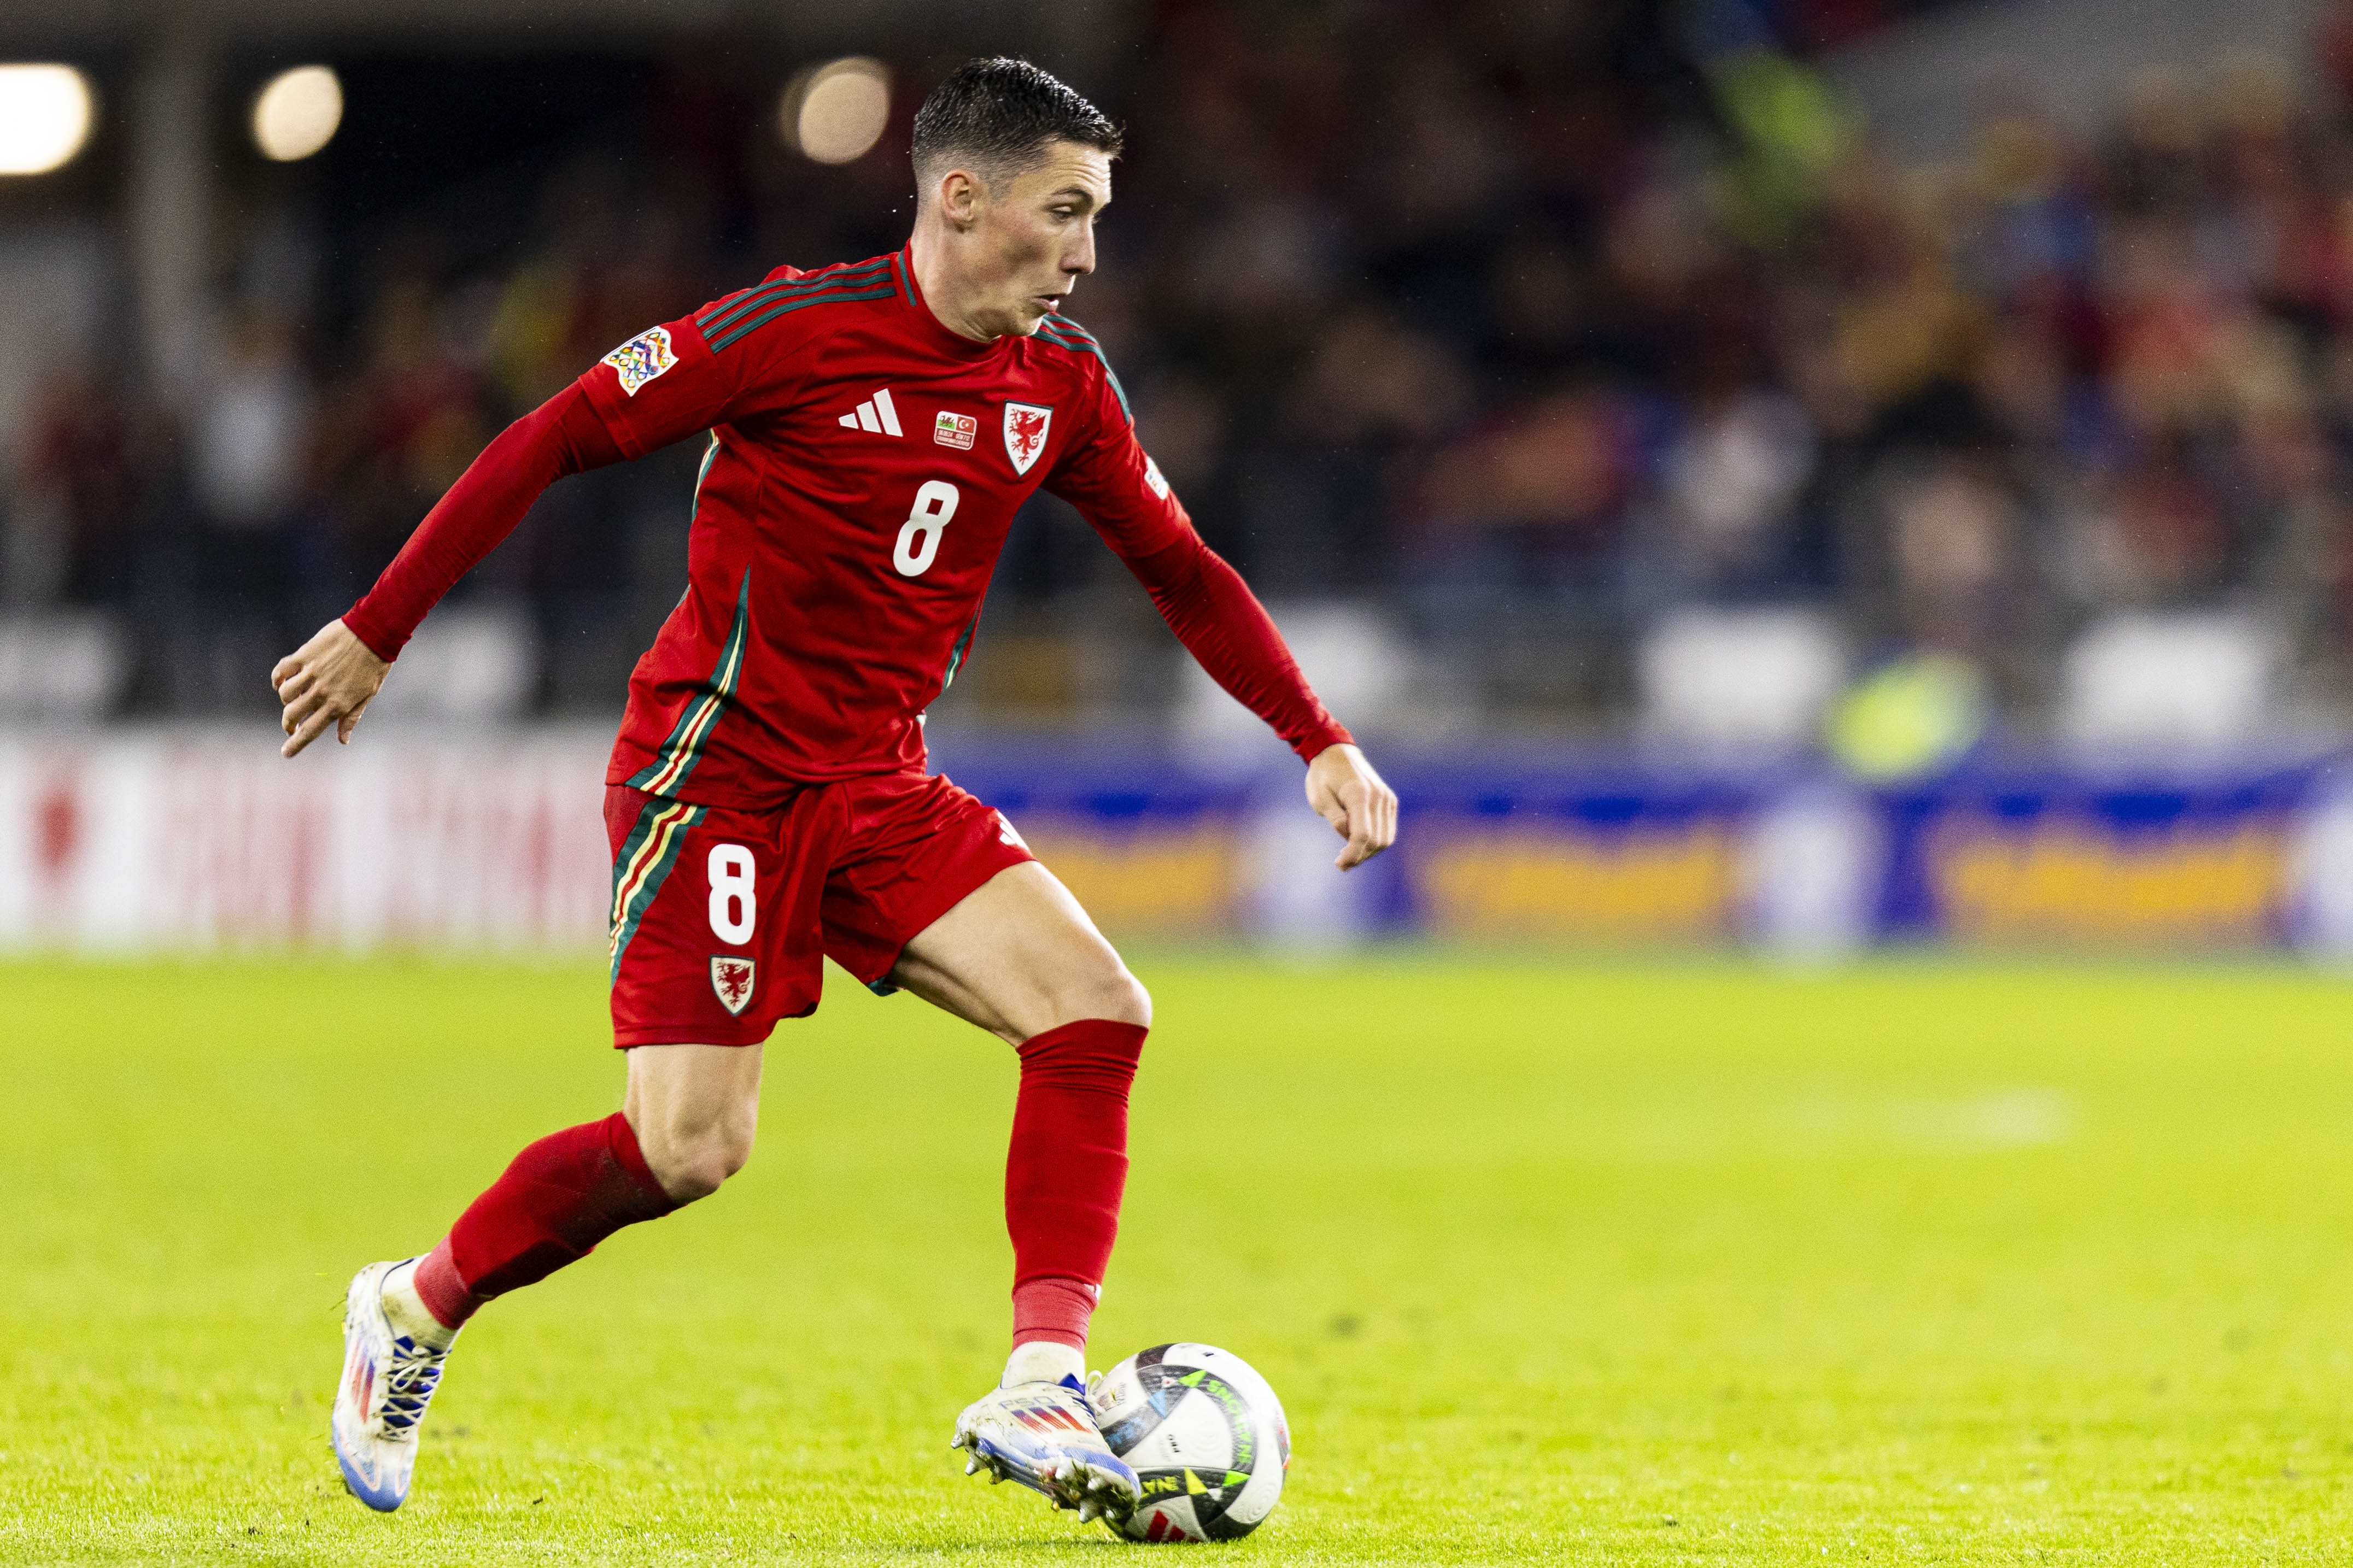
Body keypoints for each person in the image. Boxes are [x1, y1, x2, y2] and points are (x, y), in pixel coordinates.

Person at [273, 57, 1397, 1523]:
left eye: (1097, 218)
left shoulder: (1059, 387)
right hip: (718, 777)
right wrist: (376, 628)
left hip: (880, 783)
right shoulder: (792, 332)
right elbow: (553, 434)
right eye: (1066, 212)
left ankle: (1044, 1375)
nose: (1088, 252)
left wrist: (1316, 736)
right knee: (689, 1151)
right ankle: (414, 1308)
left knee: (1097, 1011)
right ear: (960, 197)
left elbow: (1181, 571)